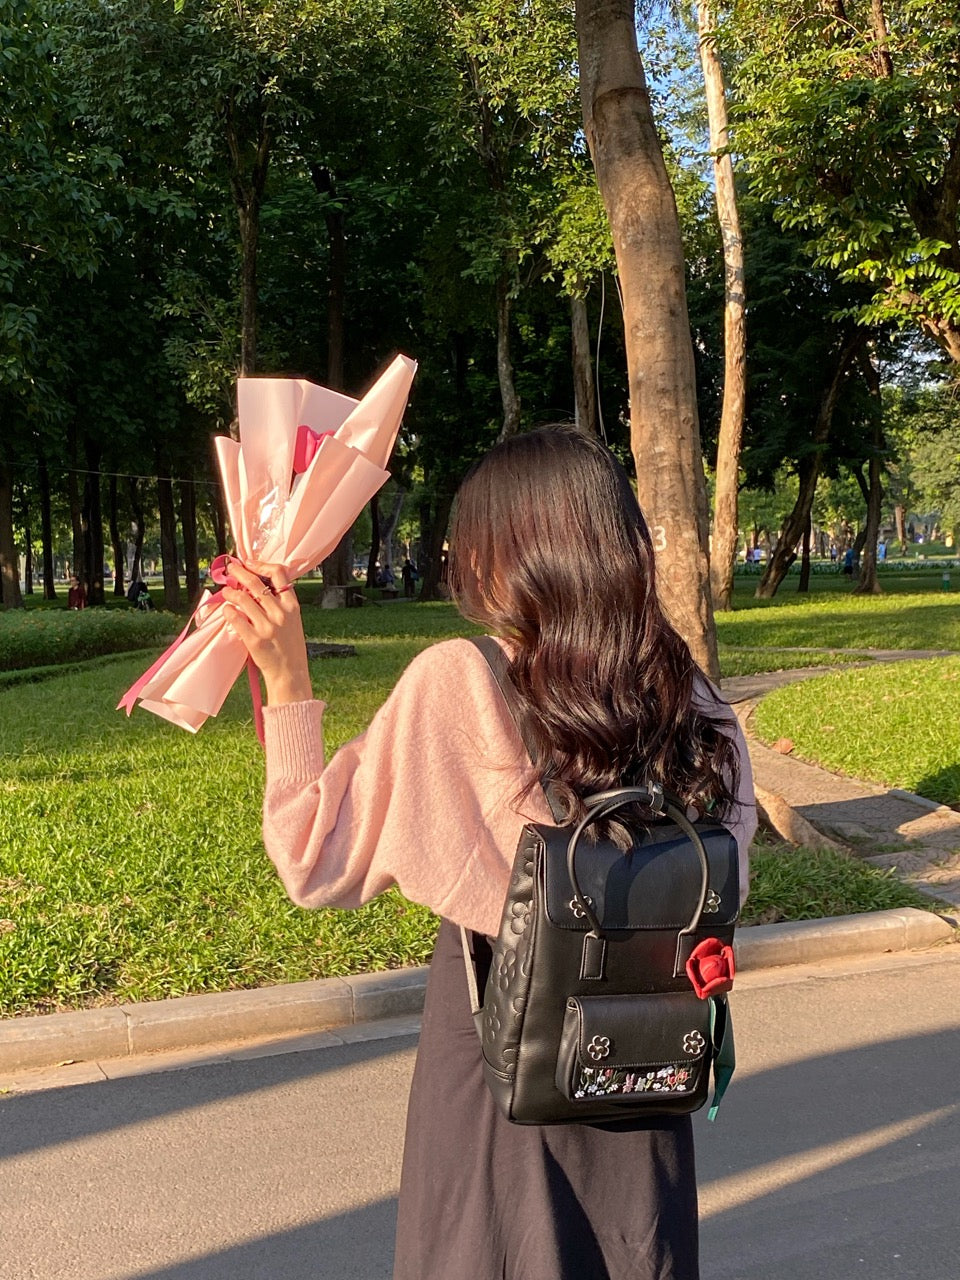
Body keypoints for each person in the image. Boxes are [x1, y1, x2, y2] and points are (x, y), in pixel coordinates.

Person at [221, 426, 756, 1280]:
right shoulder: (693, 700)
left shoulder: (459, 682)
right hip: (646, 1067)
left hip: (500, 1061)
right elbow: (730, 871)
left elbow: (311, 860)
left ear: (505, 553)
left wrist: (286, 681)